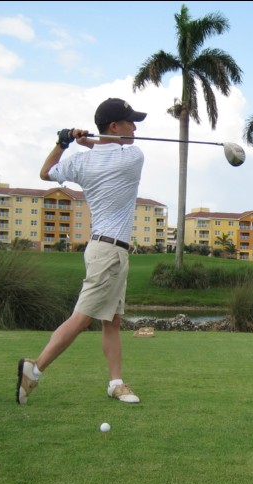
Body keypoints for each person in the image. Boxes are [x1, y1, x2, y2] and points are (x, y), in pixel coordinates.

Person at [17, 98, 147, 405]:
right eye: (129, 122)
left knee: (111, 320)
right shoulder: (134, 156)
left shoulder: (80, 162)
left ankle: (115, 383)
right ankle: (34, 370)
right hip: (109, 253)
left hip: (106, 249)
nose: (135, 127)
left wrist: (64, 142)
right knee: (81, 318)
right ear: (114, 127)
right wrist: (89, 141)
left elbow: (46, 172)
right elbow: (107, 152)